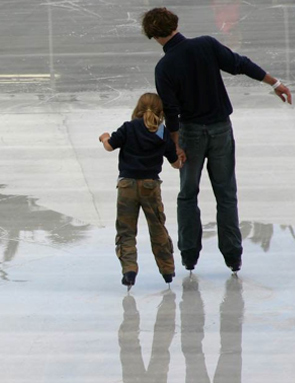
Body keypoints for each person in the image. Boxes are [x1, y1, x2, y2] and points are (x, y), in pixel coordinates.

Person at [141, 7, 292, 273]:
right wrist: (274, 82)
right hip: (221, 130)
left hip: (190, 135)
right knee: (226, 194)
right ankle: (233, 256)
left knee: (188, 194)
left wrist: (175, 146)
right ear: (175, 23)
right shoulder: (206, 45)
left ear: (154, 36)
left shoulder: (164, 67)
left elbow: (172, 112)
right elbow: (240, 63)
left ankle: (189, 255)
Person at [99, 93, 182, 288]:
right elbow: (176, 164)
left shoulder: (129, 127)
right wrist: (181, 157)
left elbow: (110, 146)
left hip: (127, 185)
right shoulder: (162, 133)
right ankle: (167, 270)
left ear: (138, 108)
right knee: (157, 227)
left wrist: (104, 137)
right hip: (150, 186)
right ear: (160, 112)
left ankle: (129, 270)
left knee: (126, 231)